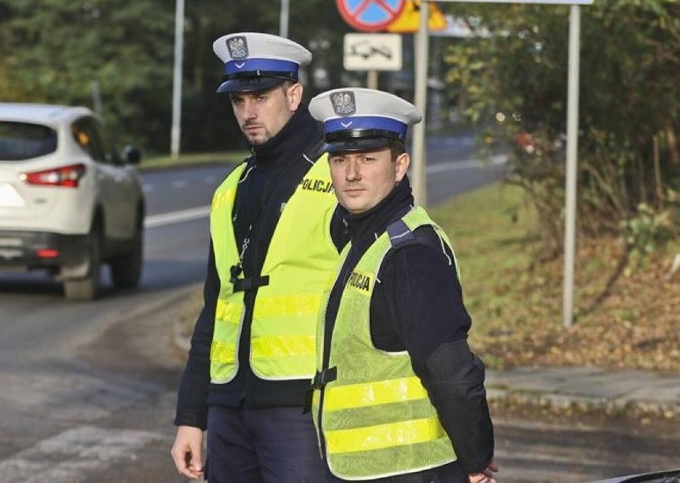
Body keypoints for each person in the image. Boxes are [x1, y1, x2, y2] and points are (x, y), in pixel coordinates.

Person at [171, 32, 341, 482]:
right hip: (230, 407)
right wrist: (192, 415)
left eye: (261, 98)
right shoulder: (231, 188)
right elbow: (217, 307)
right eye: (239, 100)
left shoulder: (339, 175)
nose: (248, 113)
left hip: (304, 407)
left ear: (294, 94)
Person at [307, 87, 499, 483]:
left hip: (412, 470)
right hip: (362, 470)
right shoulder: (363, 241)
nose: (352, 173)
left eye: (368, 159)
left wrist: (476, 460)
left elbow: (452, 372)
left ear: (400, 166)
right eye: (340, 159)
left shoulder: (410, 254)